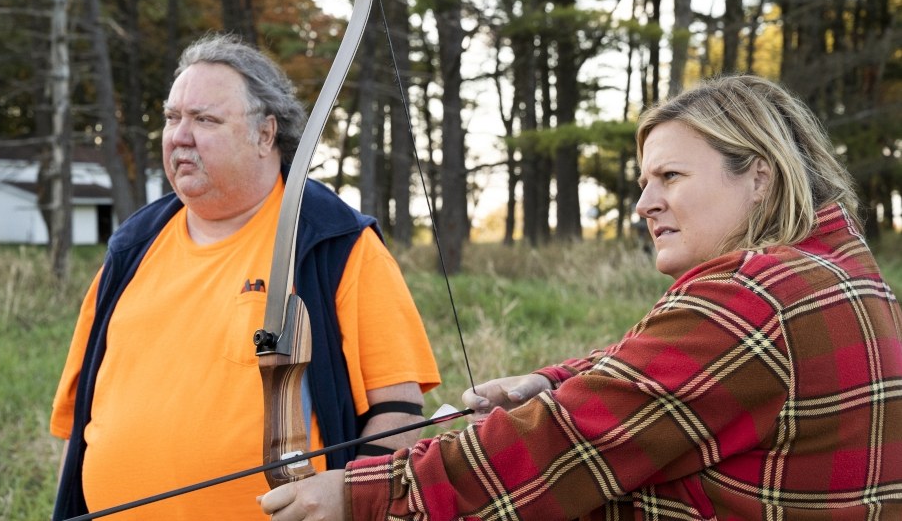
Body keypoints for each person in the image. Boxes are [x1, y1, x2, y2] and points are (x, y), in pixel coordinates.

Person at [259, 74, 902, 520]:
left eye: (670, 177)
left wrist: (364, 493)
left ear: (759, 176)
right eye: (644, 180)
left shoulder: (753, 297)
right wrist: (549, 379)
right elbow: (657, 372)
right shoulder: (840, 272)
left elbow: (569, 440)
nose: (646, 203)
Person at [49, 32, 440, 520]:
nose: (179, 135)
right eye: (173, 118)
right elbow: (79, 423)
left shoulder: (334, 242)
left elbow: (398, 413)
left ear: (265, 134)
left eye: (205, 120)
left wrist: (352, 497)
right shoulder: (131, 247)